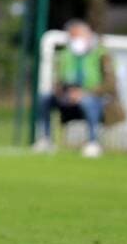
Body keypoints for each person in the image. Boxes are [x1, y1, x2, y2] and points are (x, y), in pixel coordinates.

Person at [33, 19, 115, 158]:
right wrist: (62, 92)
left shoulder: (102, 54)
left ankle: (93, 143)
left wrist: (84, 93)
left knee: (87, 102)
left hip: (95, 98)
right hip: (68, 97)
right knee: (44, 99)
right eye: (72, 36)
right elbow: (58, 80)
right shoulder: (66, 54)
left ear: (88, 35)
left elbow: (110, 84)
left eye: (77, 36)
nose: (74, 39)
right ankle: (46, 139)